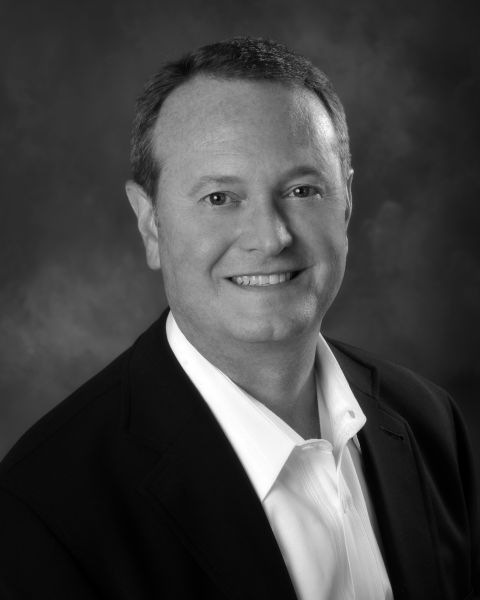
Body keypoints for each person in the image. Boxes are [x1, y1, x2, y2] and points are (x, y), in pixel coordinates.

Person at [0, 37, 478, 600]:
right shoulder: (44, 506)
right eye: (220, 198)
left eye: (302, 190)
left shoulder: (429, 421)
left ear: (346, 202)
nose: (271, 238)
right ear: (150, 223)